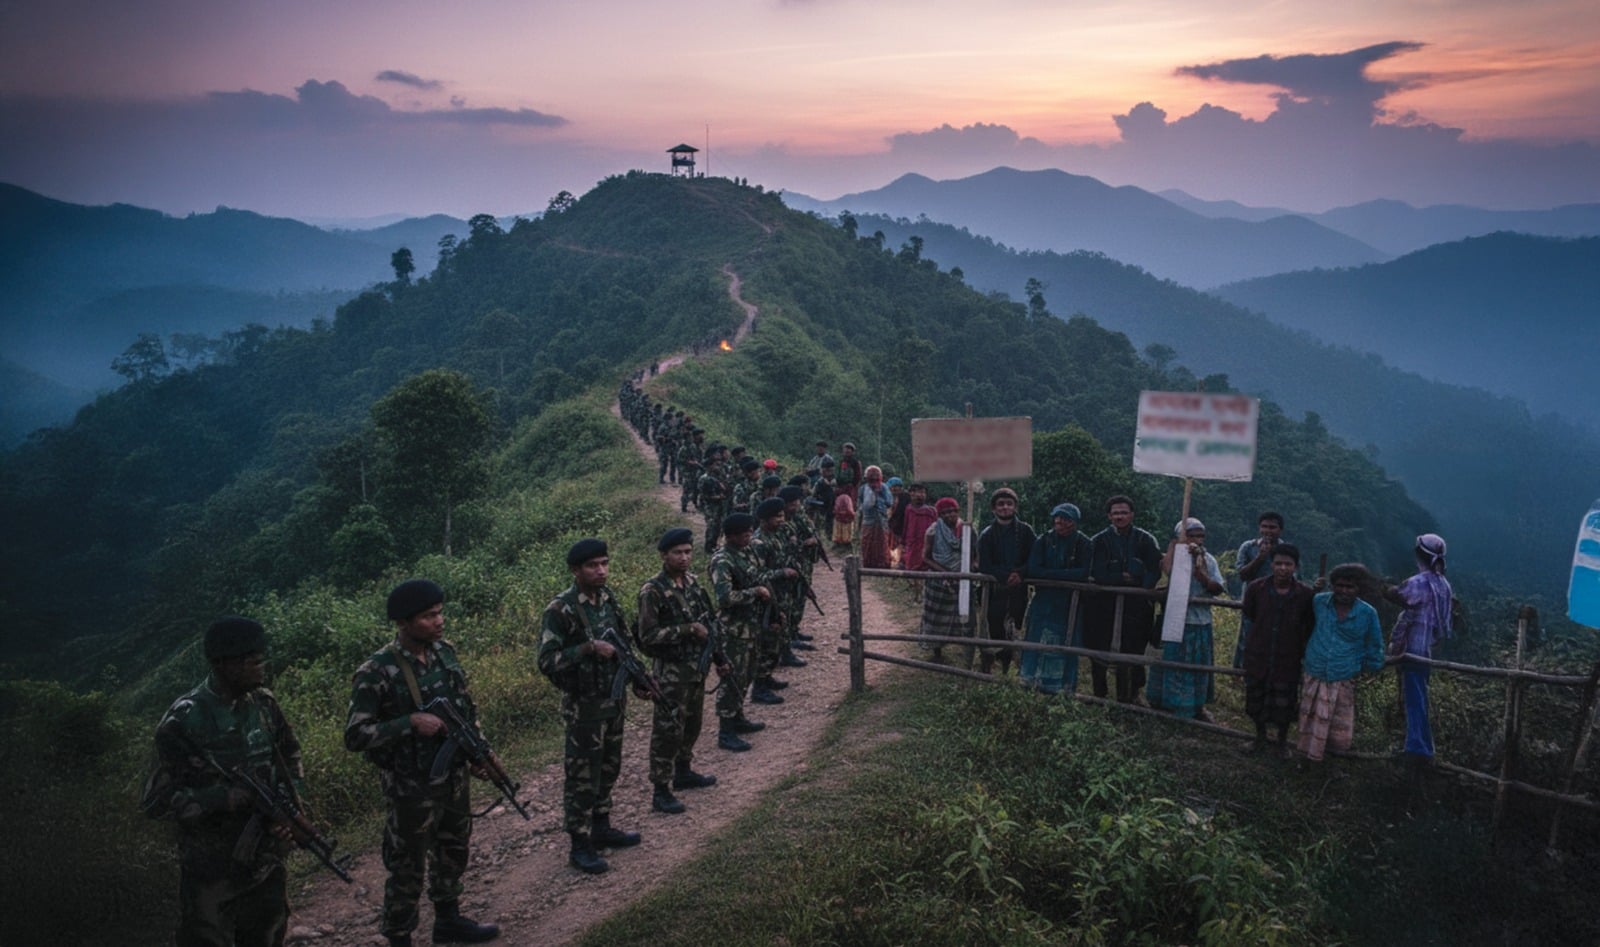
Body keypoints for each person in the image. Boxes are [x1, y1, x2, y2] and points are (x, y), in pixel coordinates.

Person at [345, 581, 501, 944]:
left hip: (452, 776)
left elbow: (465, 708)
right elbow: (355, 736)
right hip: (410, 787)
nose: (439, 621)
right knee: (407, 867)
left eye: (440, 613)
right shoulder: (376, 670)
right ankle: (399, 936)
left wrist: (478, 752)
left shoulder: (444, 653)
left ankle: (448, 919)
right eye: (429, 616)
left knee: (453, 849)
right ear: (403, 623)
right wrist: (409, 723)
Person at [142, 617, 304, 947]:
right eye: (254, 662)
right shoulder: (184, 720)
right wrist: (224, 798)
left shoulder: (262, 704)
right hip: (211, 871)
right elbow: (156, 802)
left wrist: (291, 807)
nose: (262, 669)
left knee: (268, 932)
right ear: (226, 664)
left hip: (263, 860)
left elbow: (289, 756)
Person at [536, 539, 644, 875]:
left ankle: (602, 826)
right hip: (584, 706)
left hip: (613, 699)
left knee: (609, 767)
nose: (600, 571)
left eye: (604, 563)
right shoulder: (561, 610)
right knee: (583, 775)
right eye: (592, 565)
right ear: (575, 570)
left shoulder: (607, 599)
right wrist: (587, 648)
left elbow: (623, 641)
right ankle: (579, 844)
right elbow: (546, 661)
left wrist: (638, 676)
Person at [637, 528, 727, 815]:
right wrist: (686, 630)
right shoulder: (652, 591)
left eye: (688, 551)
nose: (684, 557)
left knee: (692, 723)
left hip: (696, 669)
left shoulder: (693, 584)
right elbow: (648, 637)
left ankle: (684, 771)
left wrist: (719, 658)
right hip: (671, 672)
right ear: (664, 555)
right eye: (678, 552)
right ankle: (661, 790)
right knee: (667, 731)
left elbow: (709, 624)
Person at [711, 512, 788, 750]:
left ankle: (738, 717)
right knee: (732, 677)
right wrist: (754, 593)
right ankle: (726, 731)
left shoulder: (747, 552)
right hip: (734, 629)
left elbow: (761, 578)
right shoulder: (723, 560)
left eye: (748, 532)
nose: (748, 536)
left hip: (753, 624)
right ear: (731, 535)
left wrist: (775, 610)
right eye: (743, 533)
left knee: (747, 673)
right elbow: (724, 598)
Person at [1297, 563, 1386, 764]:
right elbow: (1301, 614)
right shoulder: (1319, 602)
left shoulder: (1367, 613)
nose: (1344, 591)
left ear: (1358, 588)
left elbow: (1374, 643)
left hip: (1343, 673)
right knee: (1310, 716)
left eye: (1350, 587)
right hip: (1316, 667)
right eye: (1340, 585)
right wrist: (1314, 589)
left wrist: (1370, 667)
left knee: (1338, 726)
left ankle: (1333, 761)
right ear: (1333, 585)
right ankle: (1304, 757)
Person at [1383, 534, 1454, 778]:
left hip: (1413, 649)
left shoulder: (1419, 582)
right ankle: (1422, 746)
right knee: (1419, 696)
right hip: (1429, 649)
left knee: (1415, 699)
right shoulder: (1444, 583)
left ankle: (1416, 749)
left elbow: (1399, 595)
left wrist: (1385, 588)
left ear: (1418, 554)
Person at [1238, 544, 1315, 755]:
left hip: (1287, 657)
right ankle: (1260, 737)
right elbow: (1251, 614)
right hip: (1259, 653)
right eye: (1278, 563)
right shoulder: (1256, 588)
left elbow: (1308, 623)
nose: (1283, 568)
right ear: (1271, 565)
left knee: (1285, 702)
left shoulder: (1305, 594)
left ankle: (1281, 742)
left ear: (1295, 567)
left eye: (1288, 564)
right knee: (1256, 699)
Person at [1087, 495, 1164, 703]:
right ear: (1109, 516)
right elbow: (1098, 572)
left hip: (1136, 604)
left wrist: (1141, 585)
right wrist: (1122, 577)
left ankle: (1130, 695)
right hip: (1104, 603)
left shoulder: (1145, 540)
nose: (1120, 516)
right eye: (1115, 513)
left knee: (1134, 646)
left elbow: (1153, 570)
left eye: (1124, 512)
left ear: (1132, 515)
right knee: (1099, 646)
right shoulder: (1099, 541)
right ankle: (1099, 695)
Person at [1149, 519, 1226, 721]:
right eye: (1192, 535)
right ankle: (1165, 704)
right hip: (1175, 619)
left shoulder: (1208, 560)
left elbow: (1218, 587)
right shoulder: (1175, 558)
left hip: (1198, 621)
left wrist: (1201, 575)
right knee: (1170, 663)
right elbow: (1166, 568)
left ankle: (1195, 707)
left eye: (1201, 535)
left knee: (1196, 666)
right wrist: (1176, 545)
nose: (1197, 540)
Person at [1022, 503, 1093, 694]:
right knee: (1036, 642)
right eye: (1058, 517)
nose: (1060, 522)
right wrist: (1064, 574)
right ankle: (1029, 683)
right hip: (1044, 601)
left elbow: (1084, 572)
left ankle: (1064, 687)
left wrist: (1051, 575)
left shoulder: (1084, 543)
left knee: (1066, 644)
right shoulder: (1043, 540)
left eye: (1066, 518)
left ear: (1075, 522)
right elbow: (1034, 570)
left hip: (1070, 603)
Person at [976, 487, 1035, 676]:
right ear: (993, 508)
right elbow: (984, 564)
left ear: (1015, 507)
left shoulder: (1026, 531)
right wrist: (1004, 576)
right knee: (995, 628)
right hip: (995, 591)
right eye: (1000, 504)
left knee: (1018, 626)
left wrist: (1020, 573)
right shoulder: (986, 534)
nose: (1005, 507)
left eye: (1009, 503)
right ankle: (1000, 667)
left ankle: (1016, 668)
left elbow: (1034, 558)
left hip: (1019, 589)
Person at [919, 497, 976, 661]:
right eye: (945, 512)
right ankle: (936, 652)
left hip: (963, 579)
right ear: (939, 515)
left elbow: (975, 554)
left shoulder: (967, 529)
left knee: (966, 617)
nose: (950, 515)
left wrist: (969, 568)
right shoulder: (933, 530)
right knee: (935, 617)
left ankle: (967, 652)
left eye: (953, 511)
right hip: (939, 579)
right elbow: (926, 557)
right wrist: (945, 572)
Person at [1234, 512, 1288, 593]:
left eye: (1272, 527)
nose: (1267, 530)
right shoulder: (1248, 547)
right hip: (1252, 598)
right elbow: (1242, 576)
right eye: (1264, 527)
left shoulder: (1286, 550)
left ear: (1280, 530)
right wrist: (1260, 557)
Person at [857, 465, 895, 569]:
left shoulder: (883, 487)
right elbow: (860, 503)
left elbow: (889, 502)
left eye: (875, 478)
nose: (873, 481)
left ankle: (882, 565)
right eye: (871, 478)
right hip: (868, 520)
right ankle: (868, 564)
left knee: (882, 543)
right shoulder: (863, 489)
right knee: (867, 542)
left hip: (881, 520)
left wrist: (878, 498)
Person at [697, 453, 730, 553]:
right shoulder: (704, 478)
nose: (717, 467)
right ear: (709, 466)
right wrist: (716, 497)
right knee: (711, 525)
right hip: (709, 505)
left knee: (718, 525)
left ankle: (713, 545)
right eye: (715, 465)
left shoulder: (717, 476)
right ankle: (708, 546)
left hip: (718, 505)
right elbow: (703, 494)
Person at [832, 483, 857, 548]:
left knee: (838, 530)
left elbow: (836, 508)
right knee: (847, 531)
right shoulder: (847, 498)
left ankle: (837, 543)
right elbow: (849, 509)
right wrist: (853, 515)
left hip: (838, 517)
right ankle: (847, 543)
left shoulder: (838, 498)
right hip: (847, 518)